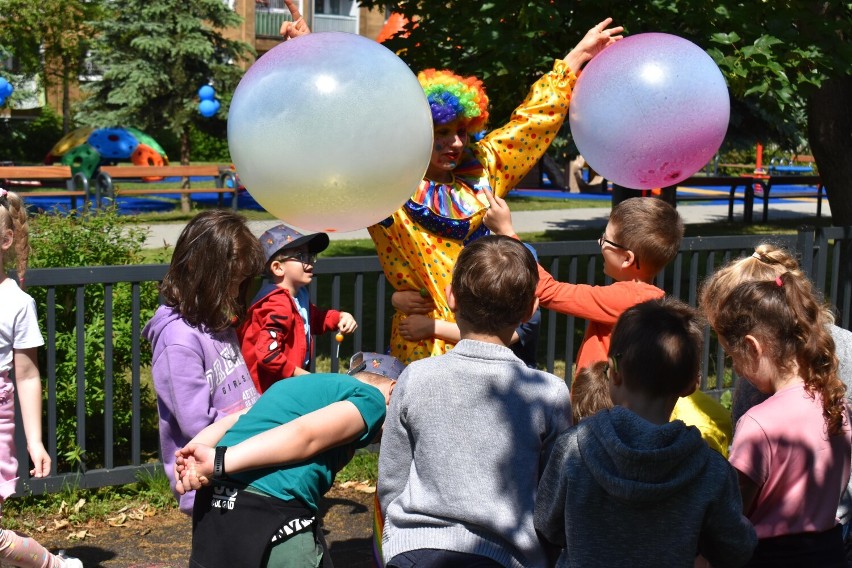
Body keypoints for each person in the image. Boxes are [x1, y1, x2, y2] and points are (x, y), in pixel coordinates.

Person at [368, 20, 623, 364]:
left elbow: (530, 123)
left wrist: (575, 59)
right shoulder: (388, 187)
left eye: (461, 130)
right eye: (442, 132)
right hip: (423, 345)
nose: (456, 143)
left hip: (488, 339)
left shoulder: (483, 167)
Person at [379, 235, 572, 568]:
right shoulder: (548, 392)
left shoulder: (416, 378)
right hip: (507, 556)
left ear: (451, 297)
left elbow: (393, 479)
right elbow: (555, 496)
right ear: (530, 310)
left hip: (415, 552)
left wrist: (400, 539)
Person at [535, 298, 757, 567]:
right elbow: (735, 548)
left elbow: (548, 525)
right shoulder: (710, 470)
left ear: (613, 373)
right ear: (690, 385)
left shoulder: (574, 448)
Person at [174, 352, 401, 568]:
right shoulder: (373, 400)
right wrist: (219, 462)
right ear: (393, 390)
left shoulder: (298, 386)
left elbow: (237, 419)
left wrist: (191, 459)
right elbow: (306, 435)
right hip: (270, 508)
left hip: (215, 500)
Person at [701, 250, 852, 566]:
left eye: (733, 357)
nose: (736, 370)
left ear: (754, 347)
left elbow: (733, 512)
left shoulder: (758, 423)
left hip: (770, 556)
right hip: (830, 552)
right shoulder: (835, 406)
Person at [484, 190, 683, 379]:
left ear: (627, 259)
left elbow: (547, 291)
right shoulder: (649, 298)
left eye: (606, 239)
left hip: (598, 408)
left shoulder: (628, 300)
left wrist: (507, 232)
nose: (600, 242)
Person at [143, 210, 264, 515]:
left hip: (241, 460)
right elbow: (196, 422)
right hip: (209, 480)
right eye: (232, 282)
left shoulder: (214, 320)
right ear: (200, 273)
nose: (236, 291)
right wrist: (259, 424)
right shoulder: (177, 340)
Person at [0, 189, 83, 567]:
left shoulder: (17, 304)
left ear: (6, 239)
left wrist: (34, 441)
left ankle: (55, 565)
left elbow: (28, 375)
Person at [239, 224, 357, 394]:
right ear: (278, 268)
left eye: (311, 255)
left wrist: (339, 317)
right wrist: (301, 375)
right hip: (269, 393)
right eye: (301, 256)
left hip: (287, 386)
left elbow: (313, 319)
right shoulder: (277, 304)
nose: (309, 260)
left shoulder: (297, 296)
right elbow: (268, 354)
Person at [394, 242, 542, 368]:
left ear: (451, 296)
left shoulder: (413, 376)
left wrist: (431, 327)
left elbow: (487, 336)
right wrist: (396, 298)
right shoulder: (552, 391)